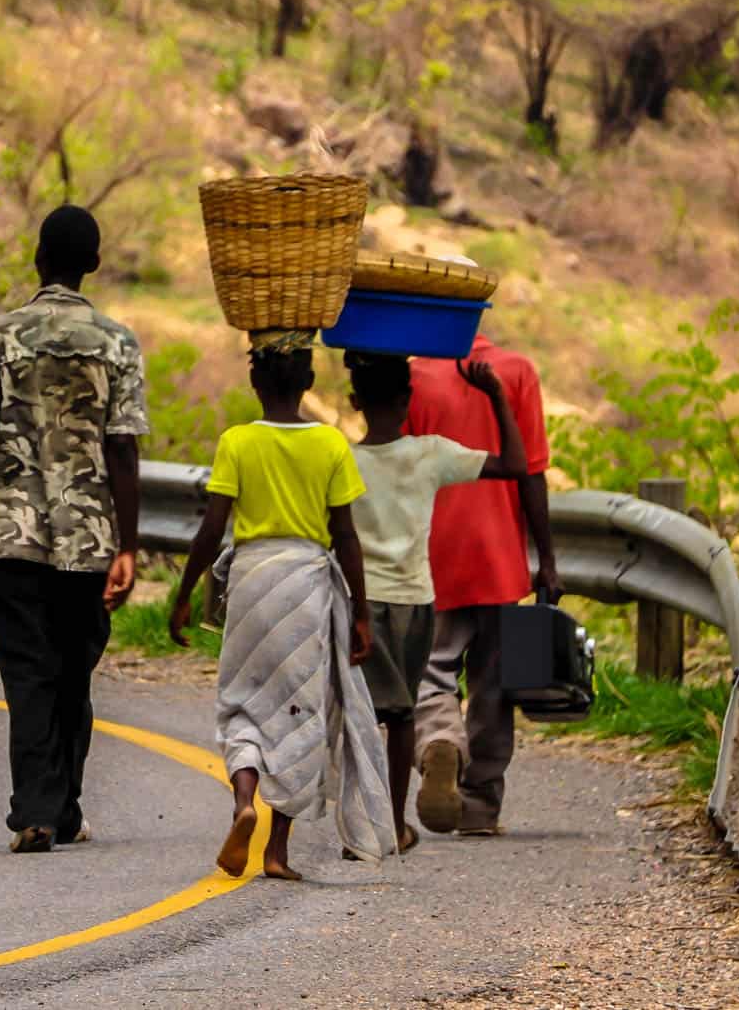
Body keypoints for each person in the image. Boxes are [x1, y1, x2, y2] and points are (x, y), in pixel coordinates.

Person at [0, 205, 149, 854]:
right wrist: (129, 543)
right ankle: (64, 803)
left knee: (27, 673)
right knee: (74, 673)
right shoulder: (117, 343)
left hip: (15, 537)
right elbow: (124, 449)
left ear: (38, 257)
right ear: (94, 263)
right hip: (87, 541)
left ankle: (39, 808)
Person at [169, 334, 395, 880]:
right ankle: (276, 852)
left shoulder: (238, 442)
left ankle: (244, 801)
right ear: (309, 383)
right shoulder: (331, 445)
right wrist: (361, 613)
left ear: (254, 382)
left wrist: (184, 594)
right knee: (297, 713)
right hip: (305, 586)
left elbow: (212, 528)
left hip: (250, 581)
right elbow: (346, 536)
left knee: (243, 703)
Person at [344, 353, 527, 853]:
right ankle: (398, 825)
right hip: (417, 599)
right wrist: (495, 398)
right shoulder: (431, 454)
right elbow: (516, 465)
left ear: (354, 400)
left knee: (360, 713)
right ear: (408, 402)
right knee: (404, 713)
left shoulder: (341, 459)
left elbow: (336, 535)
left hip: (363, 601)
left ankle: (360, 822)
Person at [406, 332, 559, 837]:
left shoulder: (413, 375)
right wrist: (547, 560)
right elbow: (531, 472)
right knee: (493, 685)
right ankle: (478, 806)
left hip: (433, 553)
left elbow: (399, 471)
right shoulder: (516, 371)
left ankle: (438, 743)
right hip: (499, 557)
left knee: (432, 671)